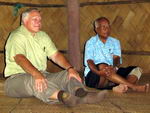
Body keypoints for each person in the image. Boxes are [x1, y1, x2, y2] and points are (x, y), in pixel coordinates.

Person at [4, 8, 108, 107]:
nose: (38, 22)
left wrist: (70, 68)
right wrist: (36, 74)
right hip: (15, 80)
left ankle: (82, 94)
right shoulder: (17, 36)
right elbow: (20, 58)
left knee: (68, 74)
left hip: (42, 75)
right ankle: (63, 96)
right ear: (24, 21)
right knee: (33, 80)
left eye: (40, 20)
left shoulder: (42, 36)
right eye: (34, 19)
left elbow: (55, 55)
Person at [84, 17, 149, 93]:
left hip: (112, 72)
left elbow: (117, 58)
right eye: (103, 27)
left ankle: (119, 86)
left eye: (108, 26)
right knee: (103, 65)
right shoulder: (91, 42)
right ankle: (133, 87)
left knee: (137, 70)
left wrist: (115, 68)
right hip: (94, 75)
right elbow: (89, 61)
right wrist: (98, 72)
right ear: (96, 29)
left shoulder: (115, 42)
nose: (106, 29)